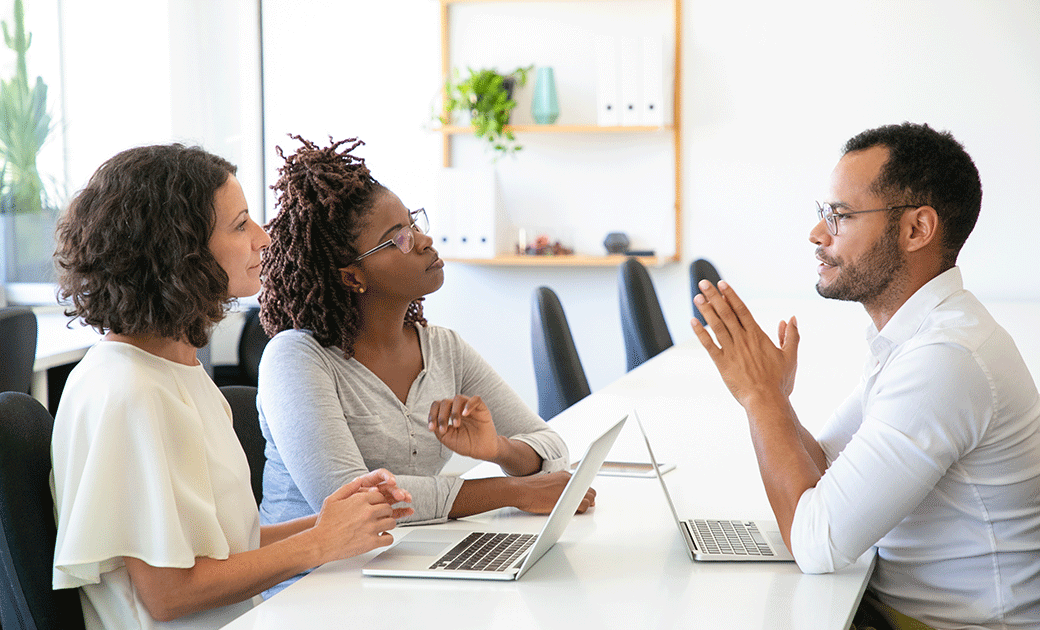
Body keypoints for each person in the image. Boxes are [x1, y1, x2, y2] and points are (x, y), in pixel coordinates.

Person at [691, 122, 1040, 630]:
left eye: (841, 216)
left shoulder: (945, 359)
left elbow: (815, 542)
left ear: (917, 229)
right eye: (823, 214)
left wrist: (761, 398)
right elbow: (828, 467)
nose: (817, 234)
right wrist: (775, 401)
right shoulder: (916, 335)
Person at [51, 143, 413, 630]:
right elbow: (168, 594)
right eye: (241, 225)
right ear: (179, 251)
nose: (263, 239)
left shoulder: (175, 369)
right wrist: (320, 542)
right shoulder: (127, 390)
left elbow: (225, 549)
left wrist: (340, 520)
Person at [256, 136, 590, 573]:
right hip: (313, 585)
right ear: (352, 275)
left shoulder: (443, 347)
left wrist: (499, 448)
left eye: (414, 224)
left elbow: (551, 447)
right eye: (399, 240)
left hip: (408, 562)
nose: (425, 240)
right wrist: (510, 491)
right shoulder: (296, 359)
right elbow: (356, 500)